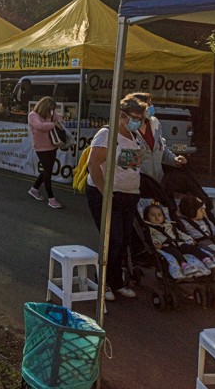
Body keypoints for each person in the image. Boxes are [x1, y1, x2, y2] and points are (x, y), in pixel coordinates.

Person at [85, 95, 146, 301]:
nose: (138, 121)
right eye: (135, 117)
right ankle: (102, 281)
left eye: (141, 118)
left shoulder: (134, 135)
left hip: (129, 195)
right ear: (122, 115)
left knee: (124, 240)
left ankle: (117, 281)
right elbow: (94, 165)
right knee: (113, 239)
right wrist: (105, 193)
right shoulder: (106, 134)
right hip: (106, 194)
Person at [126, 92, 187, 187]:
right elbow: (127, 165)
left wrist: (174, 159)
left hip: (157, 184)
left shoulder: (155, 124)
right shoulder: (128, 129)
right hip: (138, 185)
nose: (151, 107)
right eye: (148, 104)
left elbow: (162, 149)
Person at [142, 203, 215, 275]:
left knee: (193, 248)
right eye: (153, 215)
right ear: (147, 217)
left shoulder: (170, 225)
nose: (156, 217)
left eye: (159, 215)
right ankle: (185, 266)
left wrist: (189, 239)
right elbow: (151, 237)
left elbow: (179, 233)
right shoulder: (149, 228)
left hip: (179, 243)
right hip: (166, 245)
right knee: (175, 253)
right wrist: (156, 243)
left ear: (163, 216)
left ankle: (206, 259)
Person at [26, 96, 64, 209]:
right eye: (50, 108)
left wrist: (56, 120)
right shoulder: (33, 115)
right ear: (45, 107)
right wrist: (53, 124)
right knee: (48, 171)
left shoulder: (51, 114)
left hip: (52, 145)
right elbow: (39, 126)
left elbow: (60, 118)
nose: (51, 111)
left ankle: (34, 189)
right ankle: (51, 198)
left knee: (48, 170)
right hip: (40, 147)